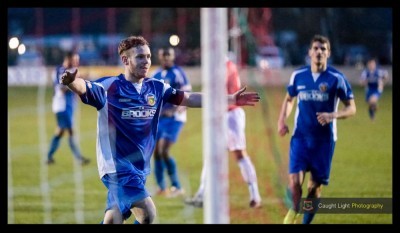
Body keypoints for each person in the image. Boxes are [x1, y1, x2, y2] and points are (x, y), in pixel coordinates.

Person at [59, 36, 260, 224]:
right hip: (116, 167)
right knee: (148, 213)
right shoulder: (110, 86)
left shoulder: (156, 87)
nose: (146, 61)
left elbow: (189, 98)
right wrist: (71, 82)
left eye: (148, 56)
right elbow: (85, 87)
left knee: (114, 218)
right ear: (125, 60)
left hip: (139, 168)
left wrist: (231, 99)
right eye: (140, 57)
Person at [277, 35, 356, 224]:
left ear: (328, 53)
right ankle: (294, 210)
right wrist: (281, 121)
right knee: (295, 182)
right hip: (301, 138)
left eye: (323, 49)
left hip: (324, 142)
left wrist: (332, 115)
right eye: (316, 48)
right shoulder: (298, 75)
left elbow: (352, 108)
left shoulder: (337, 79)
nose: (319, 51)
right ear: (310, 52)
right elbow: (289, 99)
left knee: (314, 189)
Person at [184, 58, 262, 209]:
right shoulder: (223, 64)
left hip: (231, 115)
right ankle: (201, 195)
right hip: (222, 115)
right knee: (210, 156)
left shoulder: (225, 65)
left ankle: (255, 195)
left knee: (240, 154)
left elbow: (218, 88)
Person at [150, 47, 192, 197]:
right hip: (159, 119)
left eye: (169, 56)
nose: (166, 59)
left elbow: (187, 97)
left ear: (173, 57)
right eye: (163, 56)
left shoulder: (178, 73)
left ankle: (177, 186)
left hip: (175, 119)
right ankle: (161, 187)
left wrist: (174, 111)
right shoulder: (155, 74)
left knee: (164, 150)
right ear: (159, 57)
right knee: (156, 152)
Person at [46, 51, 90, 165]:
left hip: (68, 106)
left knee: (60, 131)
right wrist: (72, 83)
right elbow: (61, 89)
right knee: (71, 131)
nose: (77, 62)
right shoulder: (60, 71)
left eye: (78, 60)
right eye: (75, 59)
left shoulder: (71, 71)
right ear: (69, 59)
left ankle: (49, 157)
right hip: (62, 106)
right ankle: (79, 159)